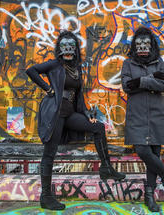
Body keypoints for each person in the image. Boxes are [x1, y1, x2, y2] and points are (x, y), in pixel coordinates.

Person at [26, 31, 125, 211]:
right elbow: (31, 71)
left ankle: (106, 167)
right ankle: (46, 197)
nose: (68, 50)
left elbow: (78, 96)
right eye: (64, 47)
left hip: (70, 113)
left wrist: (87, 113)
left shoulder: (76, 68)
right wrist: (48, 89)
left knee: (98, 127)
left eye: (71, 47)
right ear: (60, 49)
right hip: (55, 114)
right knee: (49, 153)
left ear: (75, 49)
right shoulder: (55, 64)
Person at [121, 27, 164, 212]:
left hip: (156, 115)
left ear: (151, 45)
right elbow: (127, 86)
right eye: (138, 43)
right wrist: (151, 80)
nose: (142, 46)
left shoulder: (159, 62)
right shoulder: (127, 63)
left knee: (154, 156)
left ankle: (149, 197)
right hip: (137, 116)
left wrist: (141, 81)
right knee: (142, 150)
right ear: (134, 46)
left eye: (145, 43)